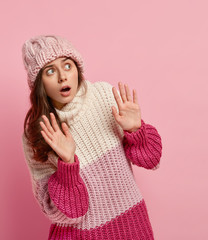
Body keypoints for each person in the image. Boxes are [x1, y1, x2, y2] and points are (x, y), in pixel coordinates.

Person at [21, 35, 162, 240]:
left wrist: (136, 130)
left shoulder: (103, 96)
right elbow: (65, 214)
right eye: (50, 71)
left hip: (132, 227)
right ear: (39, 83)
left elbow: (152, 160)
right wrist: (67, 164)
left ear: (77, 68)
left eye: (67, 65)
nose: (62, 77)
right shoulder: (36, 132)